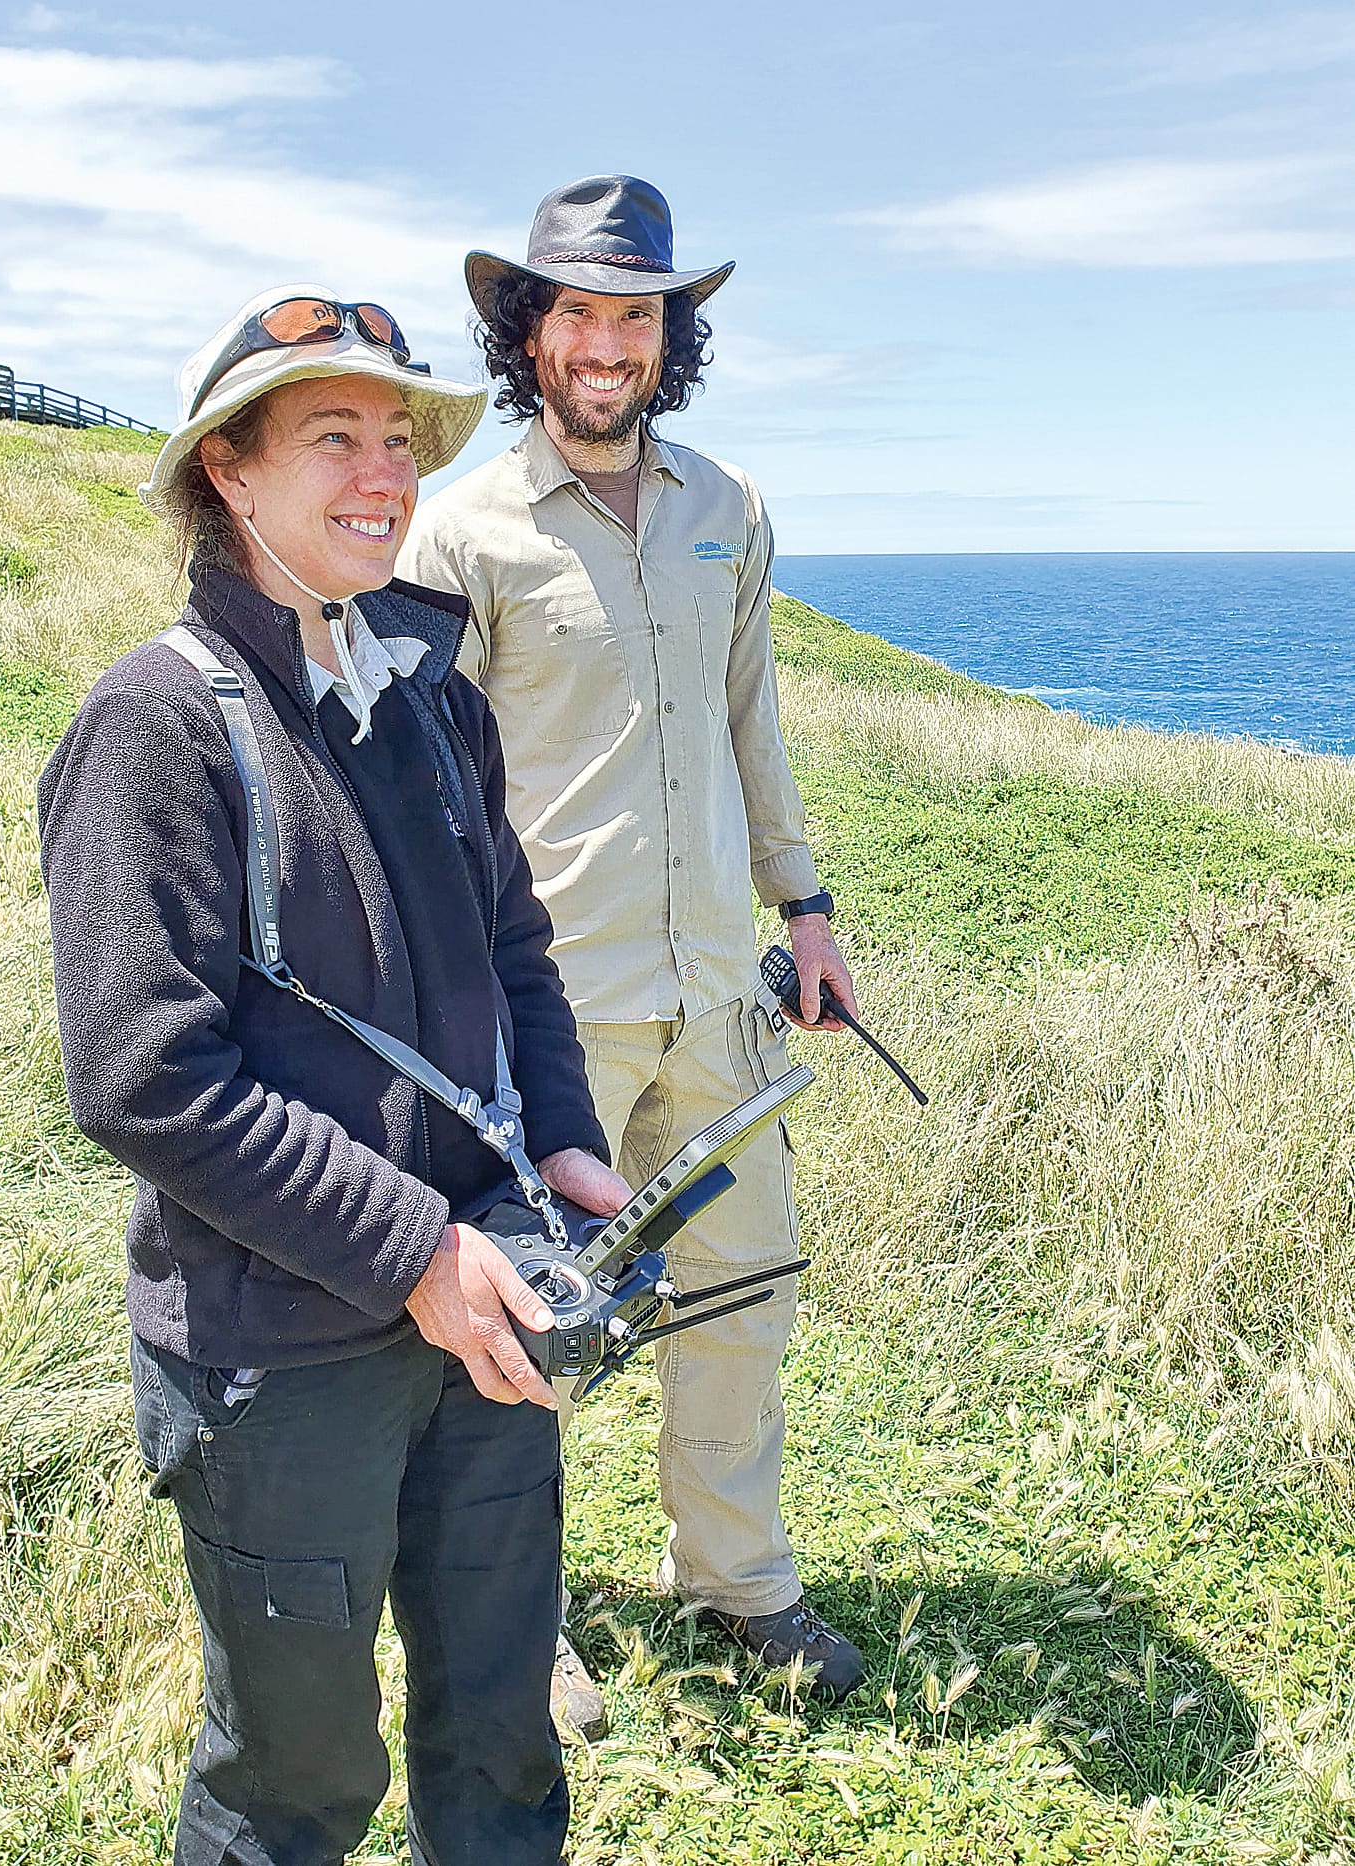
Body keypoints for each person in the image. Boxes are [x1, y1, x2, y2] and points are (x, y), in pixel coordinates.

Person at [38, 285, 630, 1866]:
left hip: (488, 1312)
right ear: (227, 470)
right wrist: (410, 1251)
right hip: (282, 1359)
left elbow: (516, 952)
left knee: (500, 1741)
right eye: (332, 438)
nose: (383, 475)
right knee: (291, 1790)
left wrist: (562, 1145)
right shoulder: (152, 727)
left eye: (398, 439)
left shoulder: (433, 700)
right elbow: (145, 1077)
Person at [398, 178, 867, 1731]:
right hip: (551, 1017)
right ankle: (516, 1624)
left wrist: (803, 908)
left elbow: (752, 720)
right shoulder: (457, 528)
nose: (607, 343)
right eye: (579, 312)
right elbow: (427, 784)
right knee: (534, 1321)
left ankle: (736, 1579)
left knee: (740, 1291)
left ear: (672, 336)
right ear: (529, 331)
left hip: (716, 999)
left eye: (636, 315)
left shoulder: (729, 506)